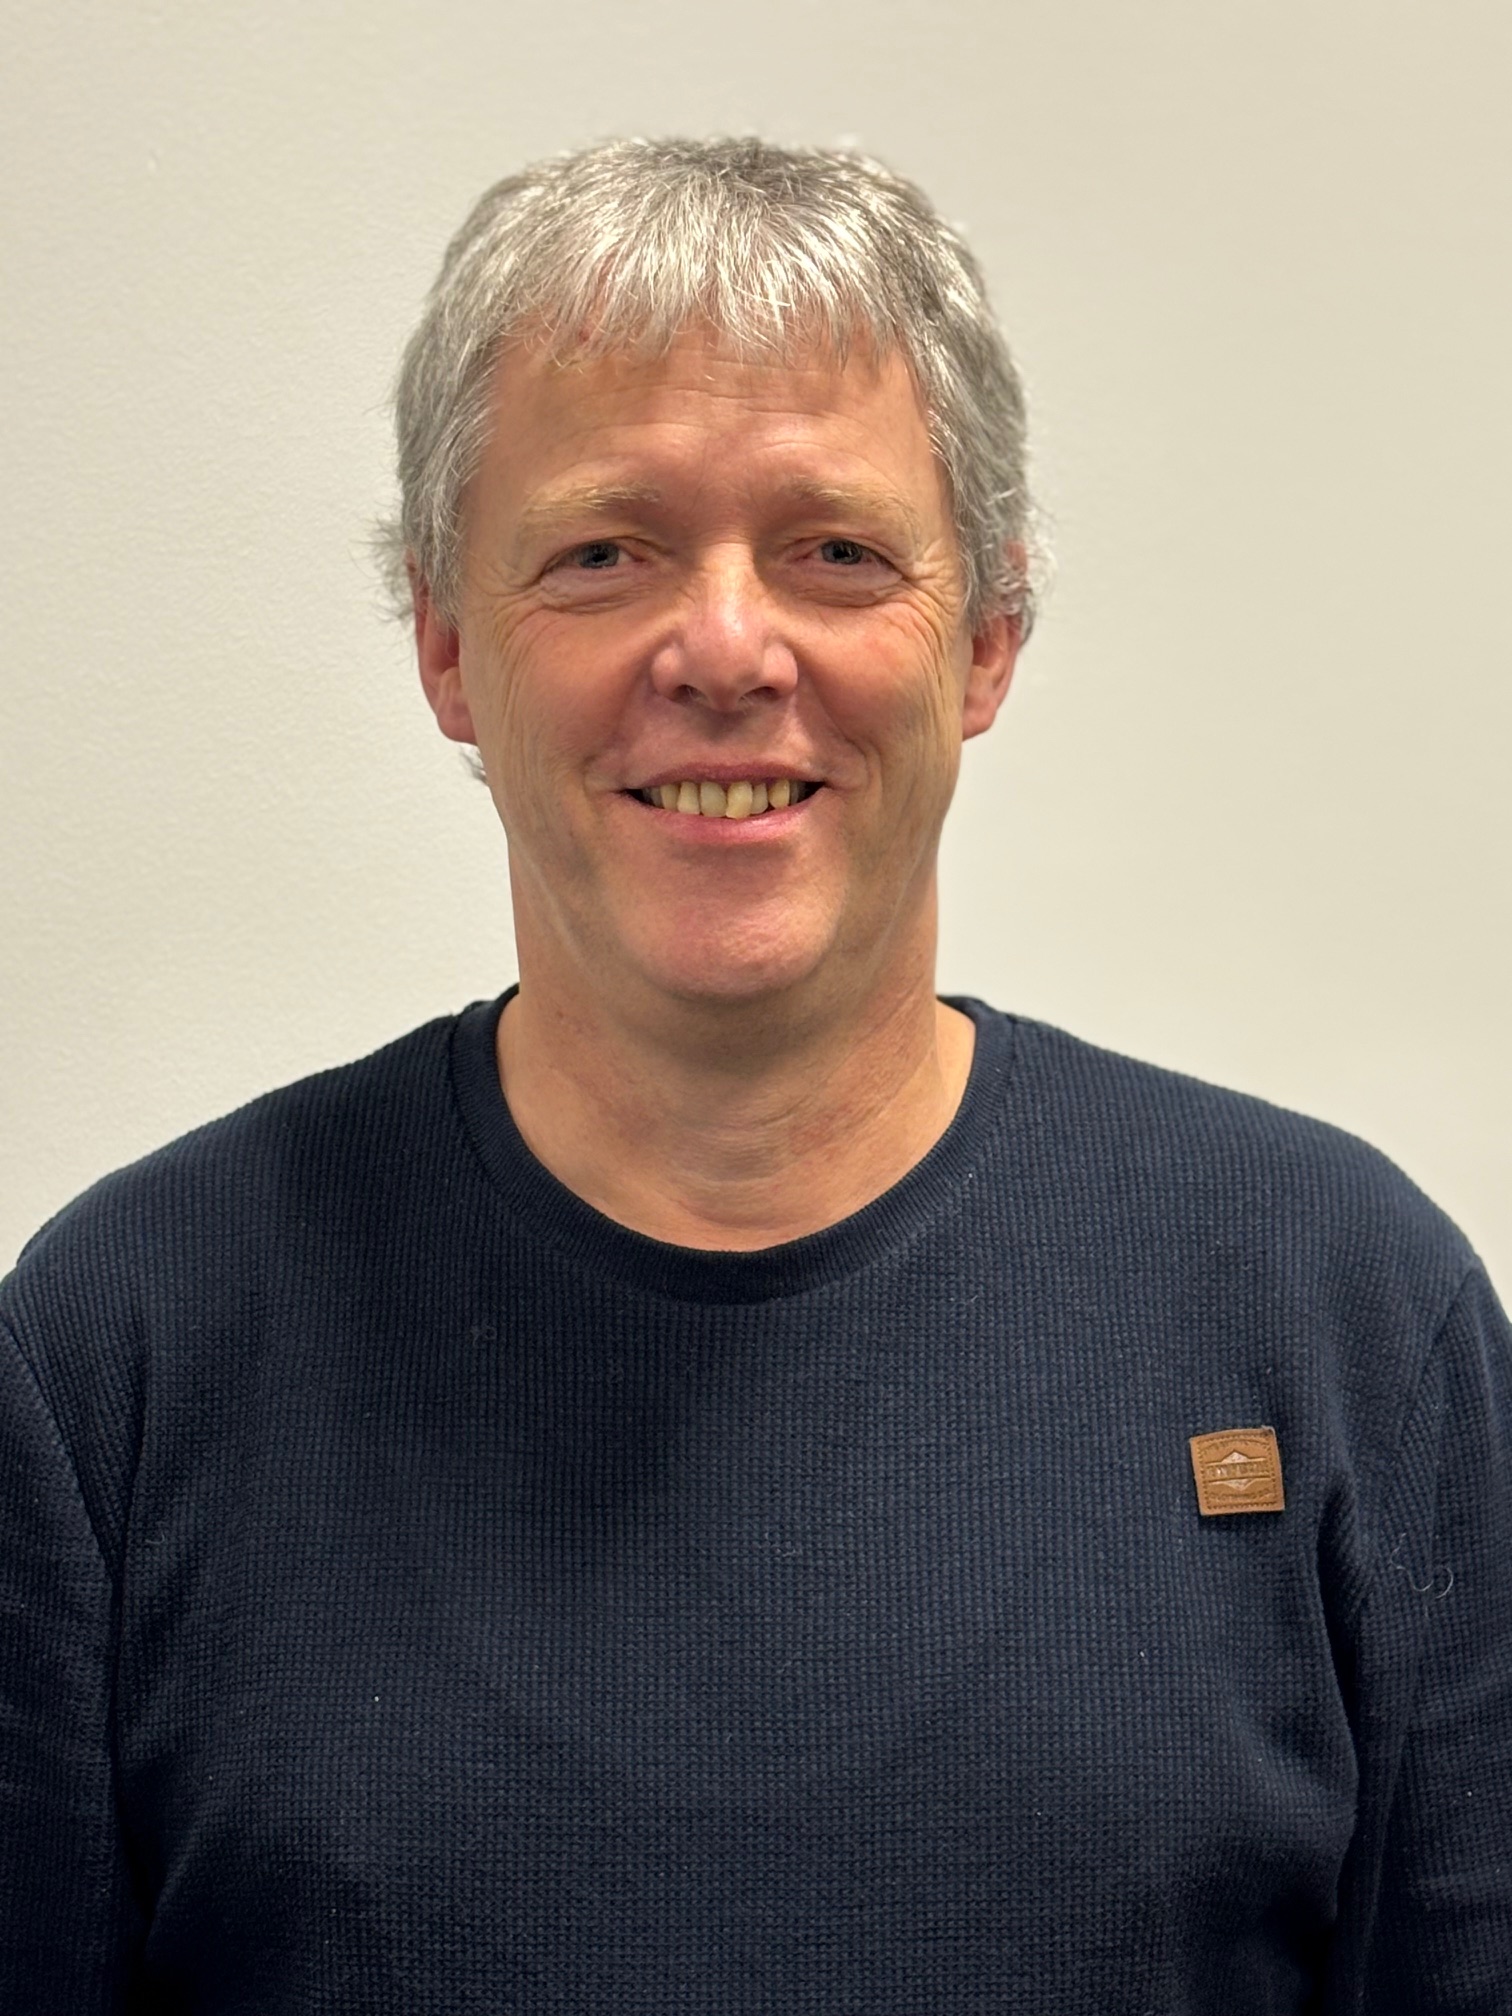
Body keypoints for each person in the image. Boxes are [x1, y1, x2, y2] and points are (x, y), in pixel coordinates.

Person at [1, 136, 1507, 2015]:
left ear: (989, 639)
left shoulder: (1345, 1315)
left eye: (837, 552)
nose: (724, 649)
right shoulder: (118, 1360)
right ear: (448, 646)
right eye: (603, 552)